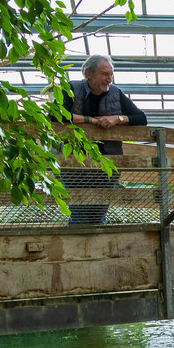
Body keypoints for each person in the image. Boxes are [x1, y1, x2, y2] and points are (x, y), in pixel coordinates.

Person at [58, 54, 147, 227]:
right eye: (105, 74)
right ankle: (79, 253)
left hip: (106, 166)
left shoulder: (115, 93)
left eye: (111, 75)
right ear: (89, 73)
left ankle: (95, 251)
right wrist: (91, 121)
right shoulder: (70, 88)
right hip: (75, 165)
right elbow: (56, 115)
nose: (109, 79)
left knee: (98, 216)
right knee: (80, 216)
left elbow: (141, 118)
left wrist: (117, 119)